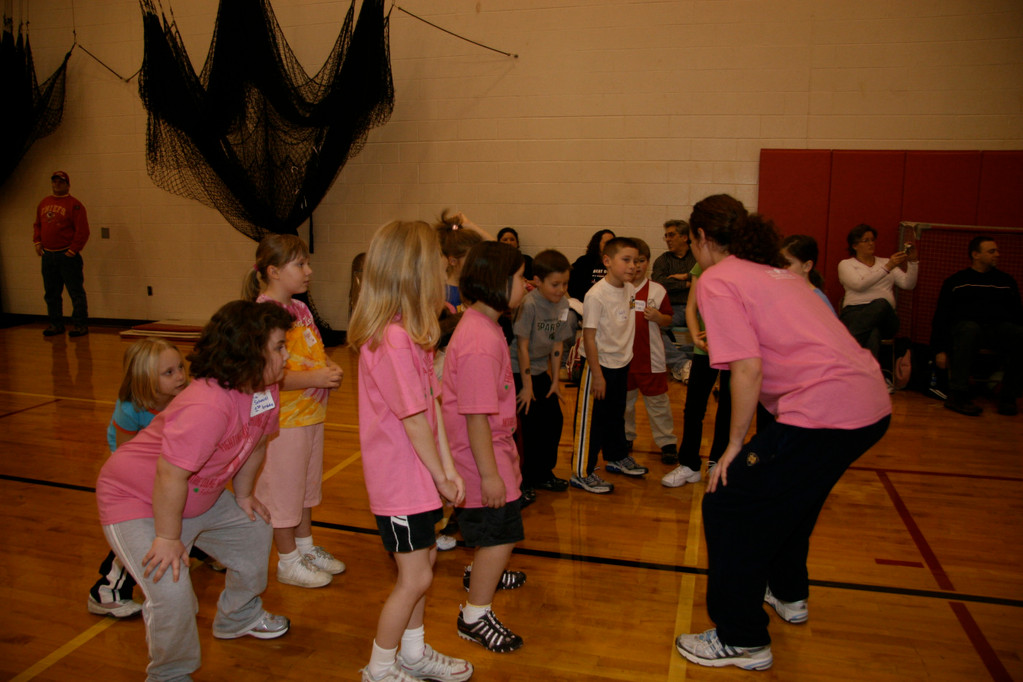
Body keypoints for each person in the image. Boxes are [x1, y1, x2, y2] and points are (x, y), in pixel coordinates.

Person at [673, 195, 891, 671]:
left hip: (825, 410)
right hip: (869, 403)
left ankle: (742, 638)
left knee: (728, 501)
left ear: (702, 239)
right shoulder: (776, 273)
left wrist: (733, 447)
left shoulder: (718, 279)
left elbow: (747, 369)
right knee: (794, 497)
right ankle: (789, 594)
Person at [96, 300, 296, 681]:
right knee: (171, 591)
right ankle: (169, 674)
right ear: (249, 352)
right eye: (279, 347)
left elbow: (256, 444)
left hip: (196, 496)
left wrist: (243, 495)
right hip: (136, 497)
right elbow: (169, 475)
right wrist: (168, 537)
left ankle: (238, 616)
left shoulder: (265, 390)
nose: (287, 356)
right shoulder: (207, 405)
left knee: (254, 529)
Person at [348, 220, 473, 682]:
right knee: (415, 577)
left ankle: (414, 653)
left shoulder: (412, 334)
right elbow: (412, 418)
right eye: (439, 264)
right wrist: (441, 474)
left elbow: (432, 407)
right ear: (415, 272)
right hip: (399, 481)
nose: (446, 270)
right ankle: (379, 668)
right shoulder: (392, 339)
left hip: (419, 476)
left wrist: (447, 469)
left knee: (427, 564)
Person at [243, 235, 346, 588]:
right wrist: (315, 377)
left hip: (311, 416)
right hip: (283, 422)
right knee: (284, 493)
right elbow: (266, 375)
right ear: (273, 271)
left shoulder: (300, 310)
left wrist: (328, 367)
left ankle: (305, 547)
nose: (309, 271)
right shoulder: (261, 316)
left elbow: (313, 353)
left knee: (305, 488)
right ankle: (287, 561)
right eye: (300, 264)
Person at [443, 241, 529, 654]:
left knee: (499, 530)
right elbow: (475, 416)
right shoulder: (479, 339)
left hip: (492, 449)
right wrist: (492, 475)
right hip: (481, 458)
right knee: (500, 532)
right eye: (519, 278)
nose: (526, 285)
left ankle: (483, 571)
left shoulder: (486, 324)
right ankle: (474, 615)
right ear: (497, 282)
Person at [89, 338, 187, 619]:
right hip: (133, 467)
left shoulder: (186, 397)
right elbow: (124, 458)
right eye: (168, 373)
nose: (180, 375)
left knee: (188, 508)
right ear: (145, 379)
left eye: (180, 367)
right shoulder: (131, 407)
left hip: (167, 462)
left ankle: (201, 548)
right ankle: (107, 591)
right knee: (146, 529)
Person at [571, 237, 647, 494]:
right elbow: (589, 337)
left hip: (620, 365)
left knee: (616, 414)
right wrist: (598, 374)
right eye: (626, 260)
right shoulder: (596, 296)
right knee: (592, 420)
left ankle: (616, 456)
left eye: (635, 261)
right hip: (598, 367)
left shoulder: (629, 289)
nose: (632, 266)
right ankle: (582, 472)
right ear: (607, 261)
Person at [931, 235, 1023, 417]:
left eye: (997, 251)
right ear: (976, 255)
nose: (997, 254)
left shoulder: (1006, 282)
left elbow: (1017, 314)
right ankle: (958, 394)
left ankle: (1008, 396)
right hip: (965, 332)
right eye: (991, 251)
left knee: (1020, 333)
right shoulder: (957, 282)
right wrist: (939, 350)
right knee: (969, 329)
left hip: (996, 330)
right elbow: (941, 318)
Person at [512, 249, 575, 496]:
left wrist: (555, 381)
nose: (561, 289)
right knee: (528, 426)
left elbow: (557, 344)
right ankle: (524, 479)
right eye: (555, 284)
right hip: (519, 370)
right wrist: (527, 387)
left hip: (540, 370)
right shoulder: (528, 305)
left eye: (565, 284)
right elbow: (523, 347)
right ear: (537, 281)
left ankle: (543, 473)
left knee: (553, 420)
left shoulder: (563, 304)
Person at [661, 268, 730, 488]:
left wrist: (722, 332)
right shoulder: (701, 267)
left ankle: (718, 463)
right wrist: (698, 338)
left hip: (733, 347)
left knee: (727, 408)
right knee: (693, 408)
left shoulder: (741, 264)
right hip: (704, 348)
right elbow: (691, 307)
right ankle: (689, 465)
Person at [622, 238, 678, 465]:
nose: (635, 266)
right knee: (624, 403)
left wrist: (658, 317)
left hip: (651, 359)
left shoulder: (658, 290)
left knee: (658, 404)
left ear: (648, 263)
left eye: (641, 261)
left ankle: (667, 442)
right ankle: (626, 438)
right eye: (631, 261)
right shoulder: (616, 288)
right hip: (623, 360)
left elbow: (669, 319)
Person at [838, 223, 918, 358]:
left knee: (881, 303)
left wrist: (913, 262)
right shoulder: (846, 264)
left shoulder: (886, 262)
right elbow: (859, 285)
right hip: (855, 312)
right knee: (872, 334)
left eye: (872, 240)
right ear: (854, 245)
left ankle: (845, 347)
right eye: (866, 240)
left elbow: (908, 284)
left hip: (885, 317)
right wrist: (888, 267)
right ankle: (868, 375)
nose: (871, 243)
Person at [33, 170, 90, 337]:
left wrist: (73, 250)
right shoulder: (44, 203)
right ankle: (55, 324)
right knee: (51, 293)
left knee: (75, 292)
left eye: (61, 182)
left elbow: (82, 230)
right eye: (55, 181)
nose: (57, 184)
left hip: (67, 256)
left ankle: (80, 325)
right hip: (48, 256)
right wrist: (37, 242)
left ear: (67, 185)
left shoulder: (75, 205)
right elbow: (37, 225)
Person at [652, 220, 697, 382]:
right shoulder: (663, 260)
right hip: (673, 308)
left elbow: (707, 276)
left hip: (698, 308)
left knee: (710, 331)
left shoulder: (697, 256)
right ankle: (682, 364)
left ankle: (690, 365)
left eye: (671, 235)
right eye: (666, 236)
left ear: (684, 237)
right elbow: (659, 282)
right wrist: (687, 283)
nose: (668, 239)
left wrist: (685, 276)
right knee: (653, 329)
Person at [780, 234, 835, 314]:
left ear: (807, 266)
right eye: (779, 263)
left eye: (787, 263)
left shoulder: (818, 300)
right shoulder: (782, 294)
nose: (781, 268)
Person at [568, 229, 615, 302]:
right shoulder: (584, 261)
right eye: (606, 243)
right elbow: (572, 285)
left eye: (612, 243)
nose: (610, 246)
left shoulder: (617, 263)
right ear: (597, 244)